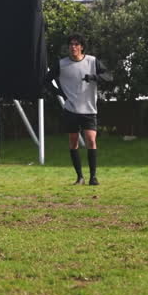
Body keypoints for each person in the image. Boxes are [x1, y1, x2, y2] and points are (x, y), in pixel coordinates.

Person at [48, 33, 111, 186]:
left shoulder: (92, 61)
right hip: (71, 109)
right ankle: (80, 177)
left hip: (89, 110)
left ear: (82, 47)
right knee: (73, 141)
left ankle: (93, 177)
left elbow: (109, 76)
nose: (73, 47)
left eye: (76, 44)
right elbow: (45, 80)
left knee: (91, 140)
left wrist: (94, 77)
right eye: (71, 44)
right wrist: (59, 92)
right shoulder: (62, 64)